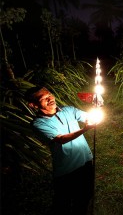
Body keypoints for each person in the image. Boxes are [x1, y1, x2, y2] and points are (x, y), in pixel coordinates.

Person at [25, 86, 96, 215]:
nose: (50, 98)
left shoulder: (68, 110)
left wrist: (97, 108)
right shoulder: (38, 124)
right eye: (44, 98)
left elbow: (88, 117)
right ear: (33, 105)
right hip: (66, 171)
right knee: (63, 204)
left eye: (50, 94)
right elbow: (61, 139)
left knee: (85, 197)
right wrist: (84, 129)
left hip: (86, 162)